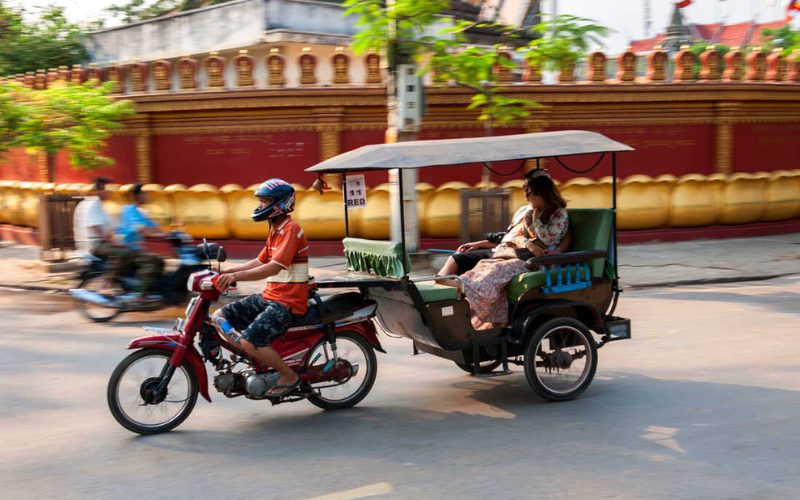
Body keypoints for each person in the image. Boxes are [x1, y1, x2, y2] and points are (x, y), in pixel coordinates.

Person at [213, 179, 309, 398]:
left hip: (288, 303)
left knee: (249, 340)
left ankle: (288, 375)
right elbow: (259, 261)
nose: (259, 206)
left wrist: (235, 276)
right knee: (219, 316)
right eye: (260, 201)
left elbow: (273, 268)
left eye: (264, 201)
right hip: (270, 296)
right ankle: (256, 358)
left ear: (280, 204)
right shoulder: (275, 228)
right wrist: (227, 272)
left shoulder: (291, 229)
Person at [452, 171, 570, 330]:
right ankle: (466, 295)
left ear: (541, 194)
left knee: (499, 268)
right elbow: (517, 237)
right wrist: (528, 236)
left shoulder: (558, 214)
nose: (526, 195)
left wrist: (536, 219)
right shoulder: (529, 212)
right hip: (523, 254)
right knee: (486, 264)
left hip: (542, 262)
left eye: (530, 192)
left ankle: (476, 303)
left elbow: (547, 239)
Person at [116, 184, 170, 301]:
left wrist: (170, 233)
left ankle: (152, 289)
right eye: (144, 193)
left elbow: (153, 227)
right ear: (138, 196)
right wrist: (157, 234)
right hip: (128, 249)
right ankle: (140, 293)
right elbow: (142, 228)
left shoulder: (142, 212)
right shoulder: (129, 210)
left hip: (136, 249)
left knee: (160, 261)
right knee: (150, 263)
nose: (147, 196)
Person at [73, 177, 131, 276]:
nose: (109, 193)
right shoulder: (93, 204)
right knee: (124, 253)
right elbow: (99, 229)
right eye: (106, 190)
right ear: (98, 191)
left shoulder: (94, 203)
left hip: (93, 243)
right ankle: (107, 284)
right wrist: (115, 243)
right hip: (93, 245)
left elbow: (111, 226)